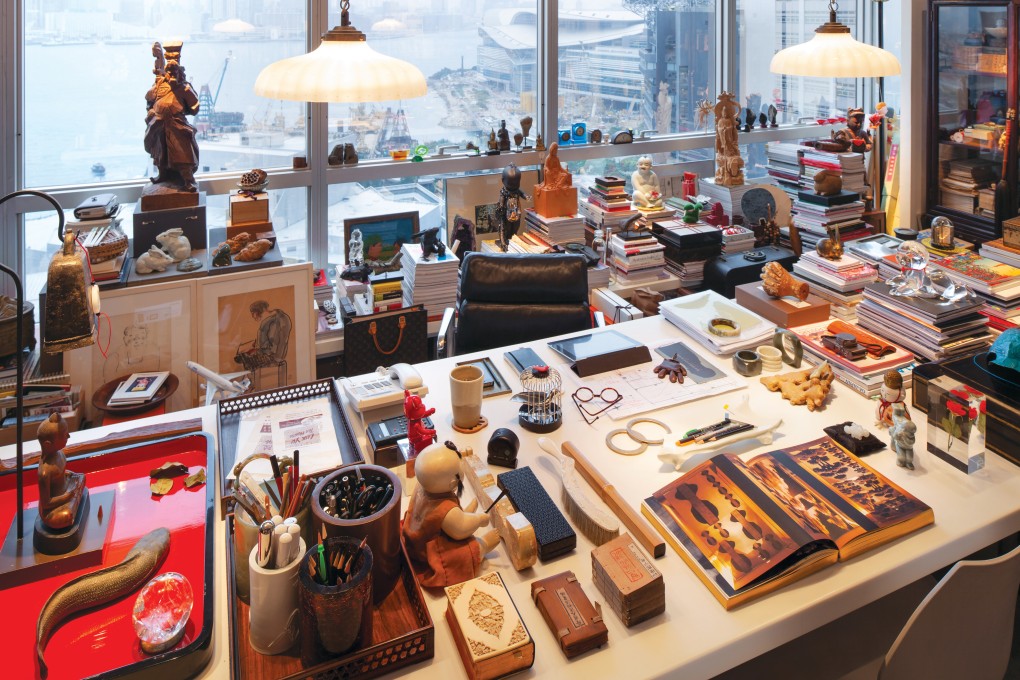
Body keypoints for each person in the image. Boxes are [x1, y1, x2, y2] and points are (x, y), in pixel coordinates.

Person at [401, 442, 499, 588]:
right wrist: (479, 519)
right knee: (459, 556)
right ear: (453, 482)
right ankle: (481, 547)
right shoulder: (445, 510)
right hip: (426, 553)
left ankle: (465, 516)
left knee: (458, 520)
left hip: (413, 535)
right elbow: (460, 530)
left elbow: (454, 521)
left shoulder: (422, 486)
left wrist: (463, 515)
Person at [144, 42, 200, 192]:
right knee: (160, 153)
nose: (171, 74)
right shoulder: (160, 85)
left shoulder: (184, 88)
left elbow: (195, 107)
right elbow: (150, 98)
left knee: (182, 153)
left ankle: (188, 180)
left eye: (174, 71)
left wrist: (186, 96)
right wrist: (151, 112)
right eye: (169, 71)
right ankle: (163, 175)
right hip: (159, 123)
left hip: (176, 124)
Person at [37, 414, 87, 531]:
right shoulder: (44, 472)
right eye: (64, 435)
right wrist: (67, 496)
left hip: (66, 489)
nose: (68, 436)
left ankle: (73, 500)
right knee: (65, 516)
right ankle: (72, 506)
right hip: (55, 503)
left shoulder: (59, 453)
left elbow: (60, 473)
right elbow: (46, 503)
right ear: (48, 444)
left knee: (81, 477)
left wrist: (67, 474)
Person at [235, 300, 293, 370]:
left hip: (272, 358)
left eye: (252, 313)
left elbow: (264, 347)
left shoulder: (269, 322)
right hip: (278, 355)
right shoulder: (281, 317)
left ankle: (248, 378)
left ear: (256, 313)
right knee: (242, 354)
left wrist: (247, 348)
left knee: (241, 357)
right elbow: (270, 341)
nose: (253, 316)